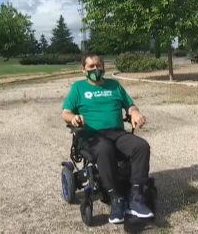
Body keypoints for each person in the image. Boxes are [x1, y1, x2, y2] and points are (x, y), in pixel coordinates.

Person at [61, 53, 154, 224]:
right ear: (84, 70)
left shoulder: (114, 86)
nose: (95, 69)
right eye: (91, 66)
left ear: (103, 67)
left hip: (117, 133)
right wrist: (73, 118)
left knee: (141, 146)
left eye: (98, 65)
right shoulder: (78, 88)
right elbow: (65, 113)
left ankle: (136, 198)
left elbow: (130, 105)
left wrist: (134, 112)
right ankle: (116, 199)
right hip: (91, 137)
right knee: (105, 149)